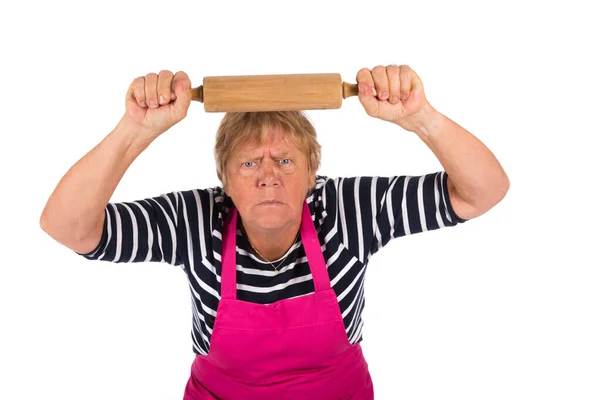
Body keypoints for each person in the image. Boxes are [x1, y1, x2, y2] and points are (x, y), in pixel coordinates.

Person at [40, 64, 509, 399]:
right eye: (248, 162)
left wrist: (419, 117)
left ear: (312, 176)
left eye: (285, 160)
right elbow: (68, 226)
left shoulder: (347, 211)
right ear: (223, 181)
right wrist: (135, 130)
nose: (268, 175)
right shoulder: (195, 221)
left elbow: (483, 191)